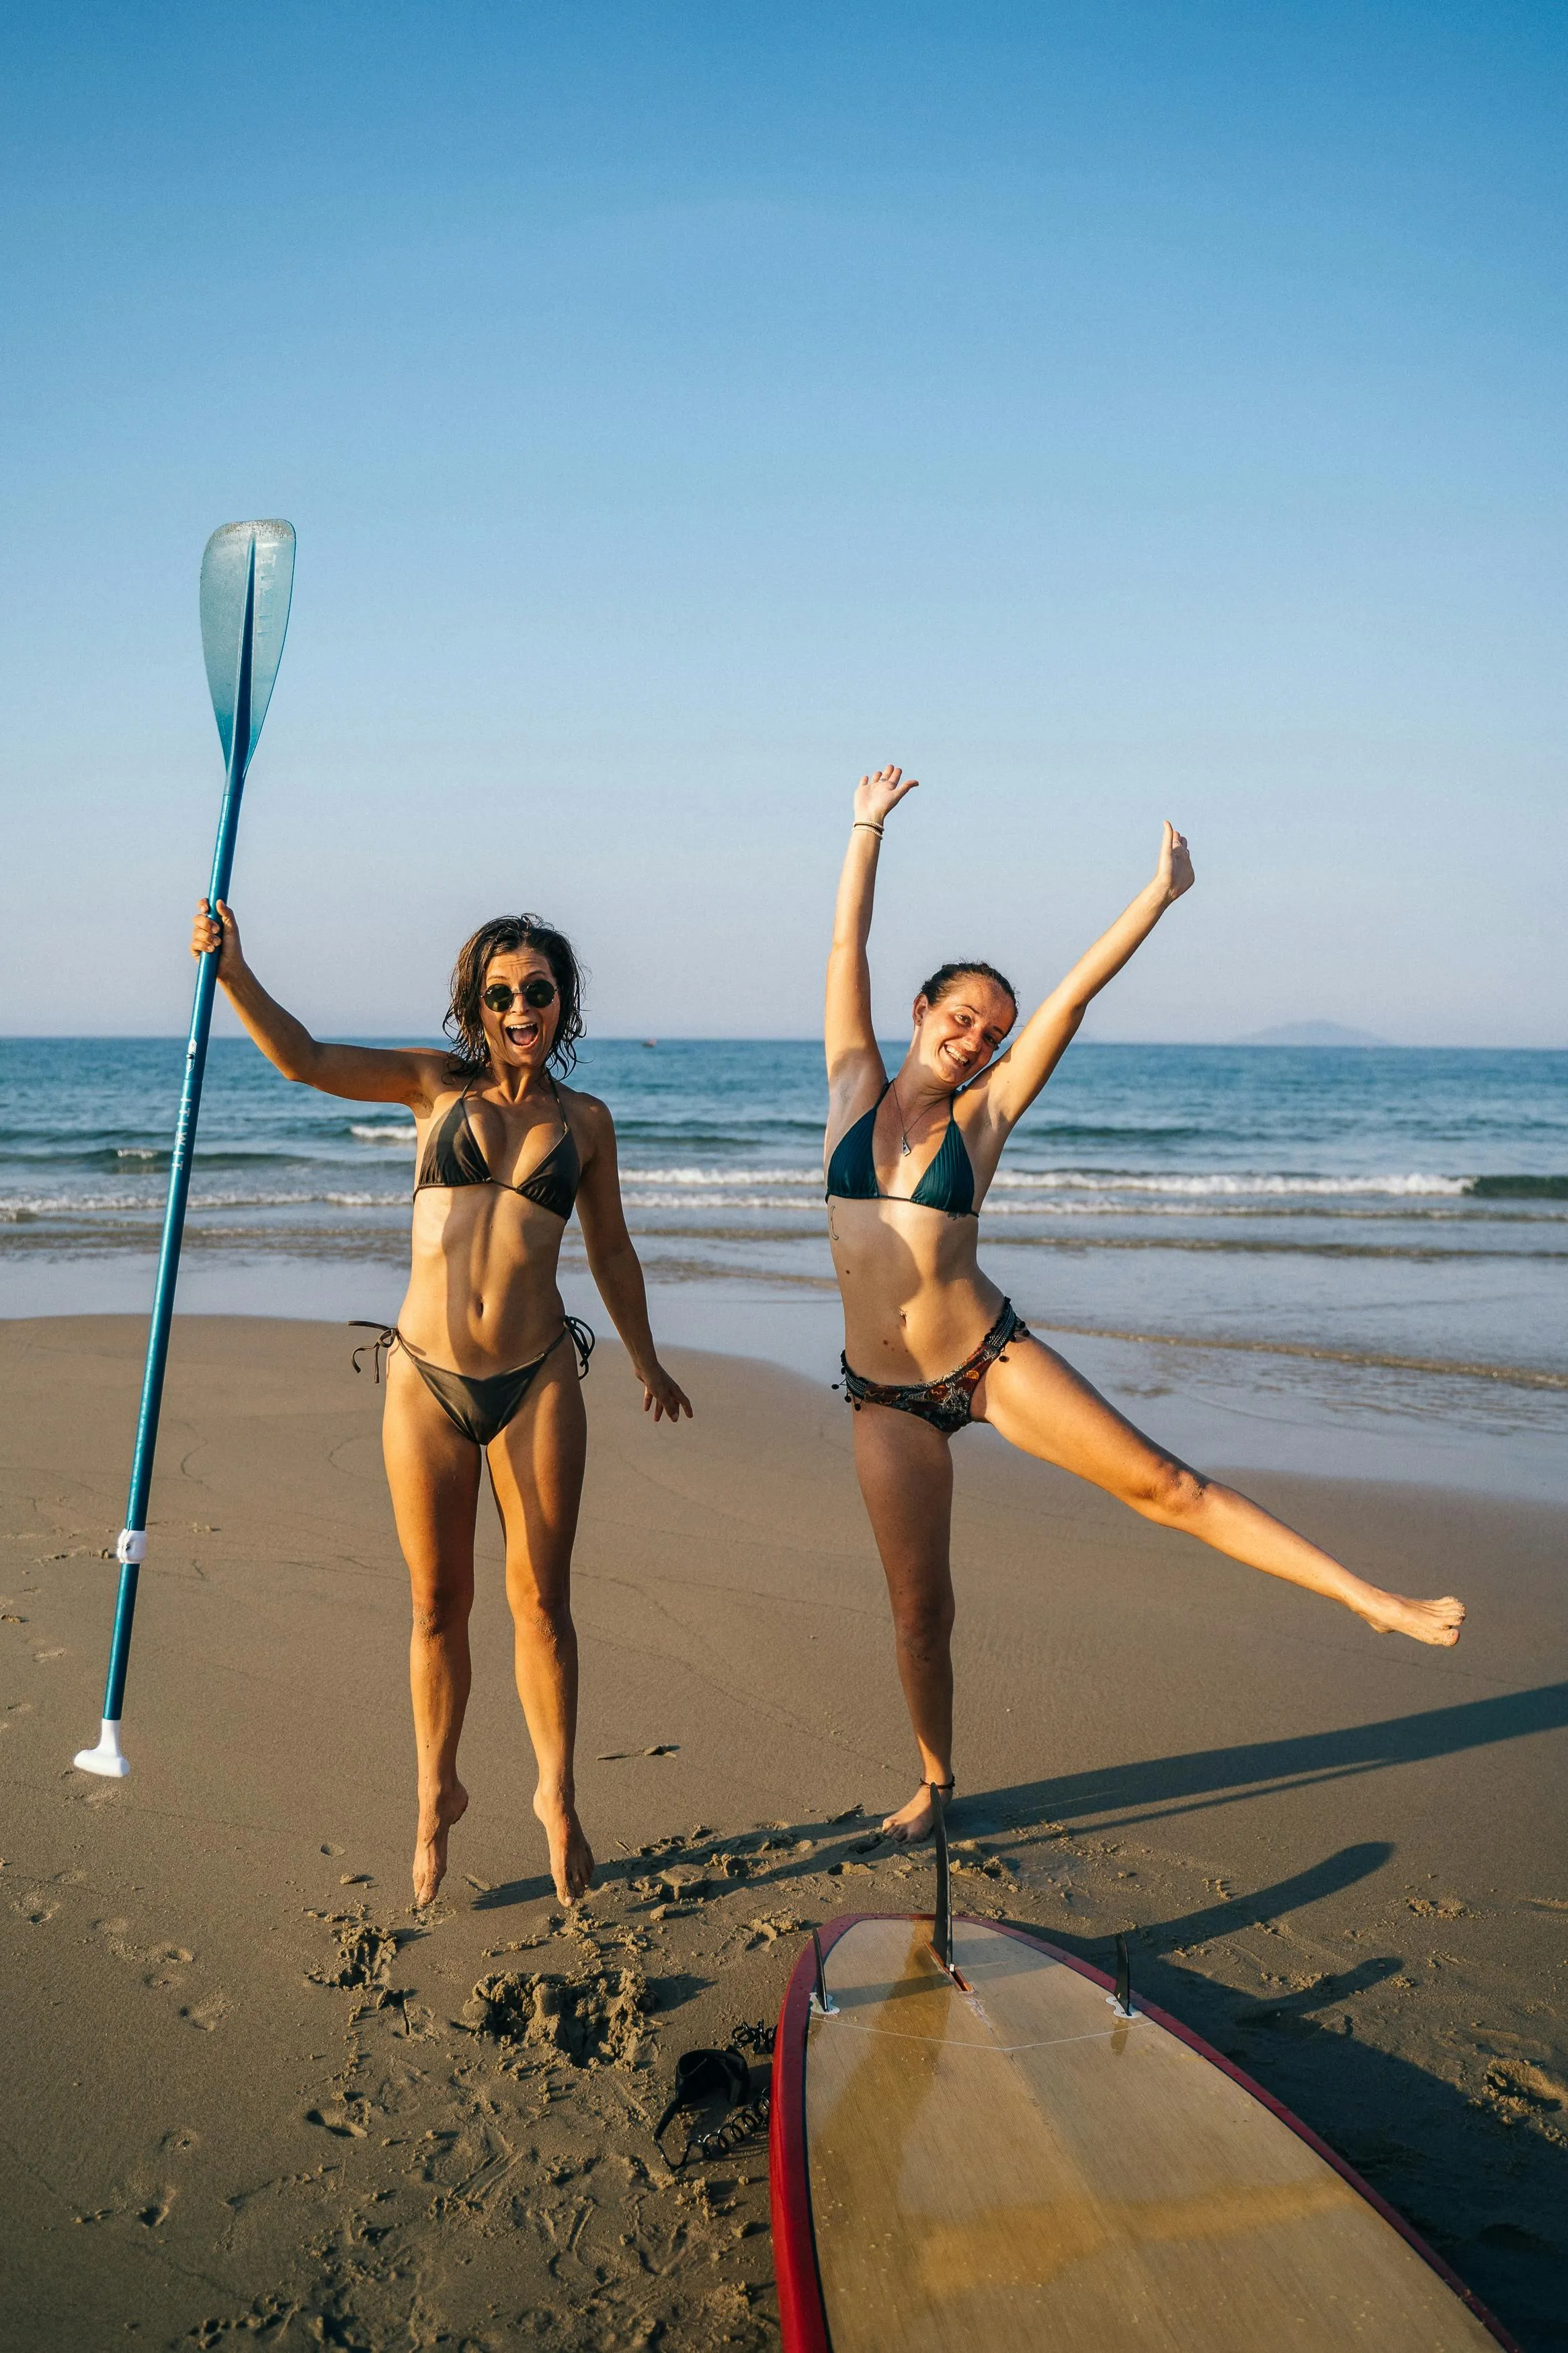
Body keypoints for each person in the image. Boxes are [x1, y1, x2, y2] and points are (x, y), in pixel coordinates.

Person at [823, 768, 1466, 1844]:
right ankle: (936, 1788)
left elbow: (1071, 998)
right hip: (885, 1399)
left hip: (987, 1358)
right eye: (964, 1018)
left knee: (1168, 1484)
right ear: (924, 1011)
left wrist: (1158, 893)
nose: (977, 1040)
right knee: (920, 1618)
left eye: (993, 1033)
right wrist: (865, 828)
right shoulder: (851, 1084)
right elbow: (846, 948)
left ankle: (1367, 1598)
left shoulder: (986, 1119)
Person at [191, 899, 692, 1905]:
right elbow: (302, 1059)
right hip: (424, 1376)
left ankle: (556, 1793)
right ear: (476, 1003)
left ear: (563, 1004)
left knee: (543, 1603)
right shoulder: (432, 1087)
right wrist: (236, 971)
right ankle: (436, 1792)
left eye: (538, 992)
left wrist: (645, 1360)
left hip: (537, 1373)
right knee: (435, 1606)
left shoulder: (584, 1124)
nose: (520, 1007)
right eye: (501, 993)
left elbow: (611, 1250)